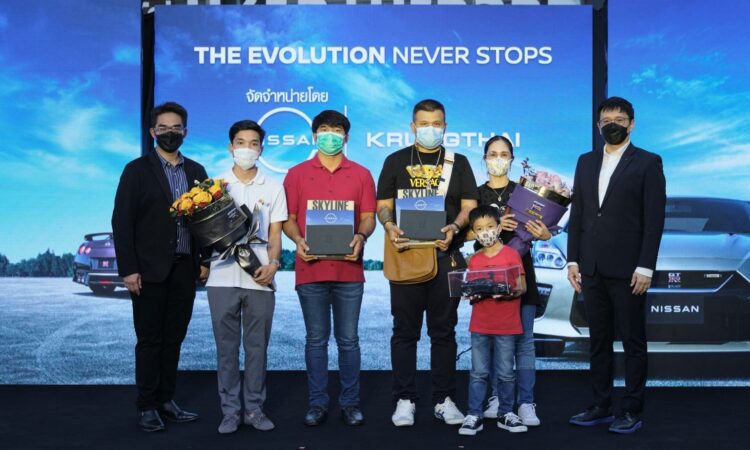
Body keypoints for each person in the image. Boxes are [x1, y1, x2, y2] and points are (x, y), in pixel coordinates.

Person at [376, 99, 478, 427]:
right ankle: (404, 399)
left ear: (445, 127)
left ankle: (443, 399)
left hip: (447, 257)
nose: (430, 129)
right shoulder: (395, 160)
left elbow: (469, 206)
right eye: (424, 124)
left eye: (436, 124)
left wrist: (455, 227)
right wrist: (389, 226)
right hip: (407, 256)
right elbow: (383, 205)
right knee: (404, 332)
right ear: (413, 127)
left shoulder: (459, 163)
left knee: (444, 332)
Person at [567, 96, 666, 434]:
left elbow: (654, 220)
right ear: (598, 125)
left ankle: (631, 409)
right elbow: (579, 214)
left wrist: (646, 266)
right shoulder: (585, 161)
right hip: (591, 267)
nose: (613, 125)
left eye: (619, 120)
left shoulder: (648, 162)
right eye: (606, 120)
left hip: (629, 271)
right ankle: (601, 405)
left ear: (631, 124)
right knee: (598, 341)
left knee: (633, 342)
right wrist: (573, 259)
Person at [112, 101, 209, 432]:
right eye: (163, 128)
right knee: (150, 340)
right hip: (148, 271)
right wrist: (128, 269)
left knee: (174, 339)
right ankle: (147, 406)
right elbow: (122, 222)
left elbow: (206, 221)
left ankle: (167, 400)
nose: (170, 133)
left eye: (176, 127)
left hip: (185, 269)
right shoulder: (136, 170)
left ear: (185, 132)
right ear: (153, 132)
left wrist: (204, 260)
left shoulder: (196, 171)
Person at [282, 110, 376, 427]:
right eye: (324, 129)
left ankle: (350, 403)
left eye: (337, 130)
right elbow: (289, 219)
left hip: (349, 271)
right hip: (310, 270)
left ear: (345, 137)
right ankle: (318, 403)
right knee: (316, 340)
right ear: (314, 136)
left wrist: (361, 236)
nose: (330, 135)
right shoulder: (296, 174)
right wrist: (298, 240)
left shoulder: (361, 174)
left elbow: (368, 217)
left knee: (349, 341)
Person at [205, 120, 287, 434]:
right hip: (222, 277)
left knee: (257, 349)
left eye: (253, 144)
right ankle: (230, 412)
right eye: (241, 143)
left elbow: (275, 234)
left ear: (261, 149)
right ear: (231, 147)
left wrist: (274, 264)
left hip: (260, 277)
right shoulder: (214, 186)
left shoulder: (273, 187)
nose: (247, 149)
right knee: (226, 350)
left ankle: (254, 409)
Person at [471, 136, 550, 427]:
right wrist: (495, 226)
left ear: (512, 159)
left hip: (521, 274)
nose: (498, 159)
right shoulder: (476, 194)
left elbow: (545, 226)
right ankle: (496, 398)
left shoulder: (525, 193)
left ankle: (526, 401)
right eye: (493, 154)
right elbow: (468, 233)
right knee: (493, 341)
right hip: (488, 276)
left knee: (524, 342)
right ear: (484, 158)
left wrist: (545, 233)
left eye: (504, 154)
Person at [459, 205, 527, 435]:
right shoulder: (474, 260)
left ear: (499, 227)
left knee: (506, 372)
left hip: (507, 325)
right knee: (478, 372)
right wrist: (471, 293)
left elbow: (522, 287)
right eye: (479, 229)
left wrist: (508, 291)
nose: (485, 232)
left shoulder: (511, 254)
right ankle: (474, 414)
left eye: (489, 226)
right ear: (474, 232)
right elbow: (472, 289)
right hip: (480, 325)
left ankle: (506, 413)